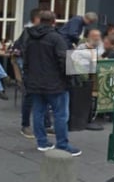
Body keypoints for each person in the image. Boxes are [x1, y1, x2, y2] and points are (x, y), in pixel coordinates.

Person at [25, 11, 81, 156]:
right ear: (53, 22)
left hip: (35, 81)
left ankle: (42, 142)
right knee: (61, 114)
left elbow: (26, 60)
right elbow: (63, 60)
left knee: (38, 112)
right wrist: (69, 78)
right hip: (55, 83)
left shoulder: (30, 37)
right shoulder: (57, 38)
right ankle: (62, 144)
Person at [13, 9, 54, 138]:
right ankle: (25, 125)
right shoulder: (29, 33)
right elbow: (23, 49)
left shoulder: (45, 34)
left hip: (42, 69)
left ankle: (46, 125)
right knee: (29, 97)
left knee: (45, 96)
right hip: (31, 68)